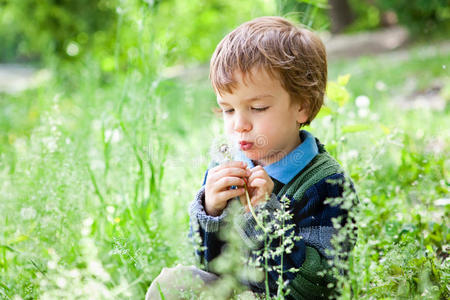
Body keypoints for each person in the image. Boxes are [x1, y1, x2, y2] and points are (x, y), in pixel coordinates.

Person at [147, 16, 358, 300]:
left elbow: (317, 287)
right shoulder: (227, 166)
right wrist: (211, 212)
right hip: (235, 291)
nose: (239, 125)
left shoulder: (326, 183)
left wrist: (263, 215)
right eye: (228, 110)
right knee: (171, 284)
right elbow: (209, 265)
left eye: (257, 108)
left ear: (302, 107)